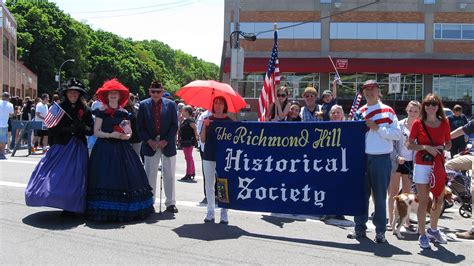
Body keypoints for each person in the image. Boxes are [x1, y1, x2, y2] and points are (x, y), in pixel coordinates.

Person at [87, 79, 154, 222]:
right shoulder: (101, 112)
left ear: (119, 96)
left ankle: (123, 207)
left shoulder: (124, 113)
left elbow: (129, 133)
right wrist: (111, 135)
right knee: (105, 177)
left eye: (115, 94)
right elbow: (96, 131)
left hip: (121, 148)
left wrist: (124, 136)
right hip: (104, 148)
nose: (113, 96)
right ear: (106, 95)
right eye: (110, 93)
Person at [25, 78, 94, 215]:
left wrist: (80, 127)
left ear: (79, 94)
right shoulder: (58, 108)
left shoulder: (85, 109)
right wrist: (68, 129)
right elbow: (51, 129)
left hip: (78, 147)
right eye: (70, 93)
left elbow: (91, 129)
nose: (73, 95)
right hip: (62, 146)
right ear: (66, 94)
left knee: (76, 178)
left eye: (75, 93)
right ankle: (62, 203)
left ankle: (73, 205)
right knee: (57, 177)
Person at [347, 80, 400, 243]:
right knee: (361, 196)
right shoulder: (360, 111)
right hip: (362, 158)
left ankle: (380, 231)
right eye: (366, 90)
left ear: (378, 91)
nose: (369, 92)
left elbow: (397, 135)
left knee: (379, 196)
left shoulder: (388, 111)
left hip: (381, 158)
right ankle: (359, 228)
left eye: (373, 89)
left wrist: (378, 127)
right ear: (363, 93)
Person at [407, 93, 452, 249]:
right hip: (421, 165)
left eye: (434, 104)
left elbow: (449, 144)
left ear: (438, 106)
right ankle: (422, 234)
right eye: (428, 104)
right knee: (424, 200)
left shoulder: (444, 123)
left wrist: (442, 147)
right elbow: (409, 145)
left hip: (438, 164)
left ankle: (433, 229)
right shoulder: (418, 124)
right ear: (424, 107)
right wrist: (425, 147)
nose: (431, 107)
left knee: (439, 198)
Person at [137, 80, 179, 213]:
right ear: (149, 91)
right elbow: (140, 127)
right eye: (153, 91)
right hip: (150, 144)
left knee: (170, 174)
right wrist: (149, 141)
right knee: (150, 174)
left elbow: (174, 125)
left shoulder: (171, 105)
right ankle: (149, 202)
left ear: (162, 91)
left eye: (158, 92)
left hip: (168, 144)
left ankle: (170, 203)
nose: (155, 94)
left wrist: (165, 141)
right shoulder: (143, 105)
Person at [387, 100, 421, 231]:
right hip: (396, 162)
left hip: (410, 163)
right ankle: (391, 221)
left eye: (415, 111)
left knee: (407, 194)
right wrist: (397, 157)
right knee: (393, 193)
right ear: (407, 110)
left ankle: (406, 221)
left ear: (419, 113)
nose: (412, 113)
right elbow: (392, 144)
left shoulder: (419, 126)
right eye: (410, 110)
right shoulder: (399, 125)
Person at [201, 96, 234, 224]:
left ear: (224, 105)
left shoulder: (229, 121)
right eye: (216, 103)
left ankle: (224, 212)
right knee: (209, 184)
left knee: (223, 184)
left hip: (224, 156)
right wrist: (205, 126)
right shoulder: (208, 120)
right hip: (209, 155)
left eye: (220, 103)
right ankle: (210, 211)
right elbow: (202, 140)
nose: (218, 105)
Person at [449, 119, 473, 240]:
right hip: (471, 156)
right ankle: (463, 194)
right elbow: (461, 130)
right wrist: (445, 138)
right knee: (448, 166)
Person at [196, 108, 213, 203]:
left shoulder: (224, 115)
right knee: (207, 172)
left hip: (218, 148)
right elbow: (199, 132)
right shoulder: (203, 116)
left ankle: (218, 194)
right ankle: (208, 194)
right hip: (205, 148)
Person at [179, 105, 199, 181]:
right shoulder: (186, 119)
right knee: (189, 157)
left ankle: (189, 173)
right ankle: (192, 172)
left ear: (187, 112)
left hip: (188, 141)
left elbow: (194, 128)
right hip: (186, 140)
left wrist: (196, 137)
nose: (181, 112)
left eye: (183, 111)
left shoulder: (190, 120)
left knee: (188, 157)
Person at [124, 93, 141, 157]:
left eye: (132, 98)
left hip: (137, 136)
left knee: (136, 156)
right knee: (127, 156)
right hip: (126, 137)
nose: (130, 100)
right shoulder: (122, 110)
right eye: (128, 98)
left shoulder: (137, 109)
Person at [0, 92, 14, 159]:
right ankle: (2, 154)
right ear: (8, 98)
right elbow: (11, 114)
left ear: (2, 96)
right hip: (4, 124)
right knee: (3, 140)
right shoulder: (10, 105)